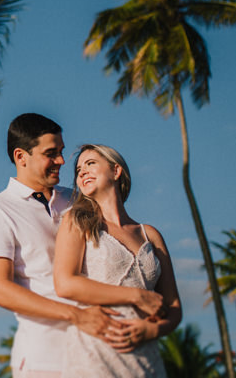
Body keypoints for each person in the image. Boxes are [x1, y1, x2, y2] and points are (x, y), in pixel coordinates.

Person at [0, 113, 122, 378]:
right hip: (42, 359)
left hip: (99, 352)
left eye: (61, 152)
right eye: (50, 153)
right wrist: (77, 315)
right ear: (21, 157)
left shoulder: (78, 199)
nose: (62, 161)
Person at [53, 144, 181, 377]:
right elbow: (65, 284)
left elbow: (173, 307)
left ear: (116, 170)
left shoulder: (150, 234)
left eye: (91, 163)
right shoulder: (76, 220)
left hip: (146, 357)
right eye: (79, 170)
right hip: (96, 353)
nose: (82, 172)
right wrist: (137, 296)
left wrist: (152, 330)